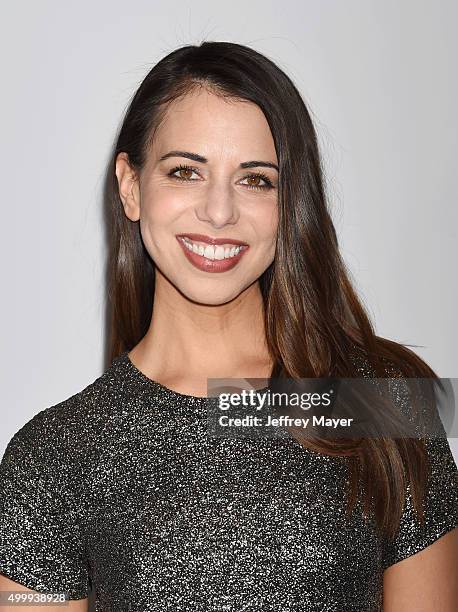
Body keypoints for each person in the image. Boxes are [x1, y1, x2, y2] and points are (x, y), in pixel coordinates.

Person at [0, 41, 457, 611]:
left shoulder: (379, 399)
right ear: (131, 185)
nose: (219, 212)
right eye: (186, 172)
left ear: (291, 203)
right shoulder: (53, 457)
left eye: (256, 180)